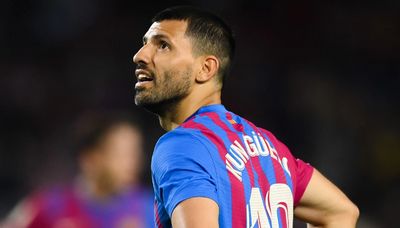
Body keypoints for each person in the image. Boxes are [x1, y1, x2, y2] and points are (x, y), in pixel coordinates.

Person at [132, 5, 359, 228]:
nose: (139, 56)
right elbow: (340, 213)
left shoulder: (183, 145)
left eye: (163, 45)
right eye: (145, 44)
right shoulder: (271, 150)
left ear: (205, 68)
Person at [1, 112, 153, 228]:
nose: (134, 163)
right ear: (90, 159)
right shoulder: (49, 206)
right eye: (122, 154)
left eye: (135, 153)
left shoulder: (151, 210)